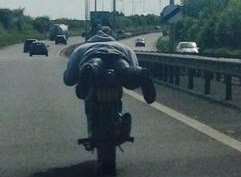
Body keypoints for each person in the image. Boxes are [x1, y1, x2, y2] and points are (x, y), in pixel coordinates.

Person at [63, 28, 156, 140]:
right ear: (112, 36)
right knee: (126, 70)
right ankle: (142, 73)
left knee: (92, 66)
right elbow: (133, 66)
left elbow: (69, 78)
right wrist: (136, 75)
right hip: (118, 59)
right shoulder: (123, 47)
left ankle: (91, 69)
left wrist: (76, 79)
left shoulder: (81, 48)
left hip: (92, 58)